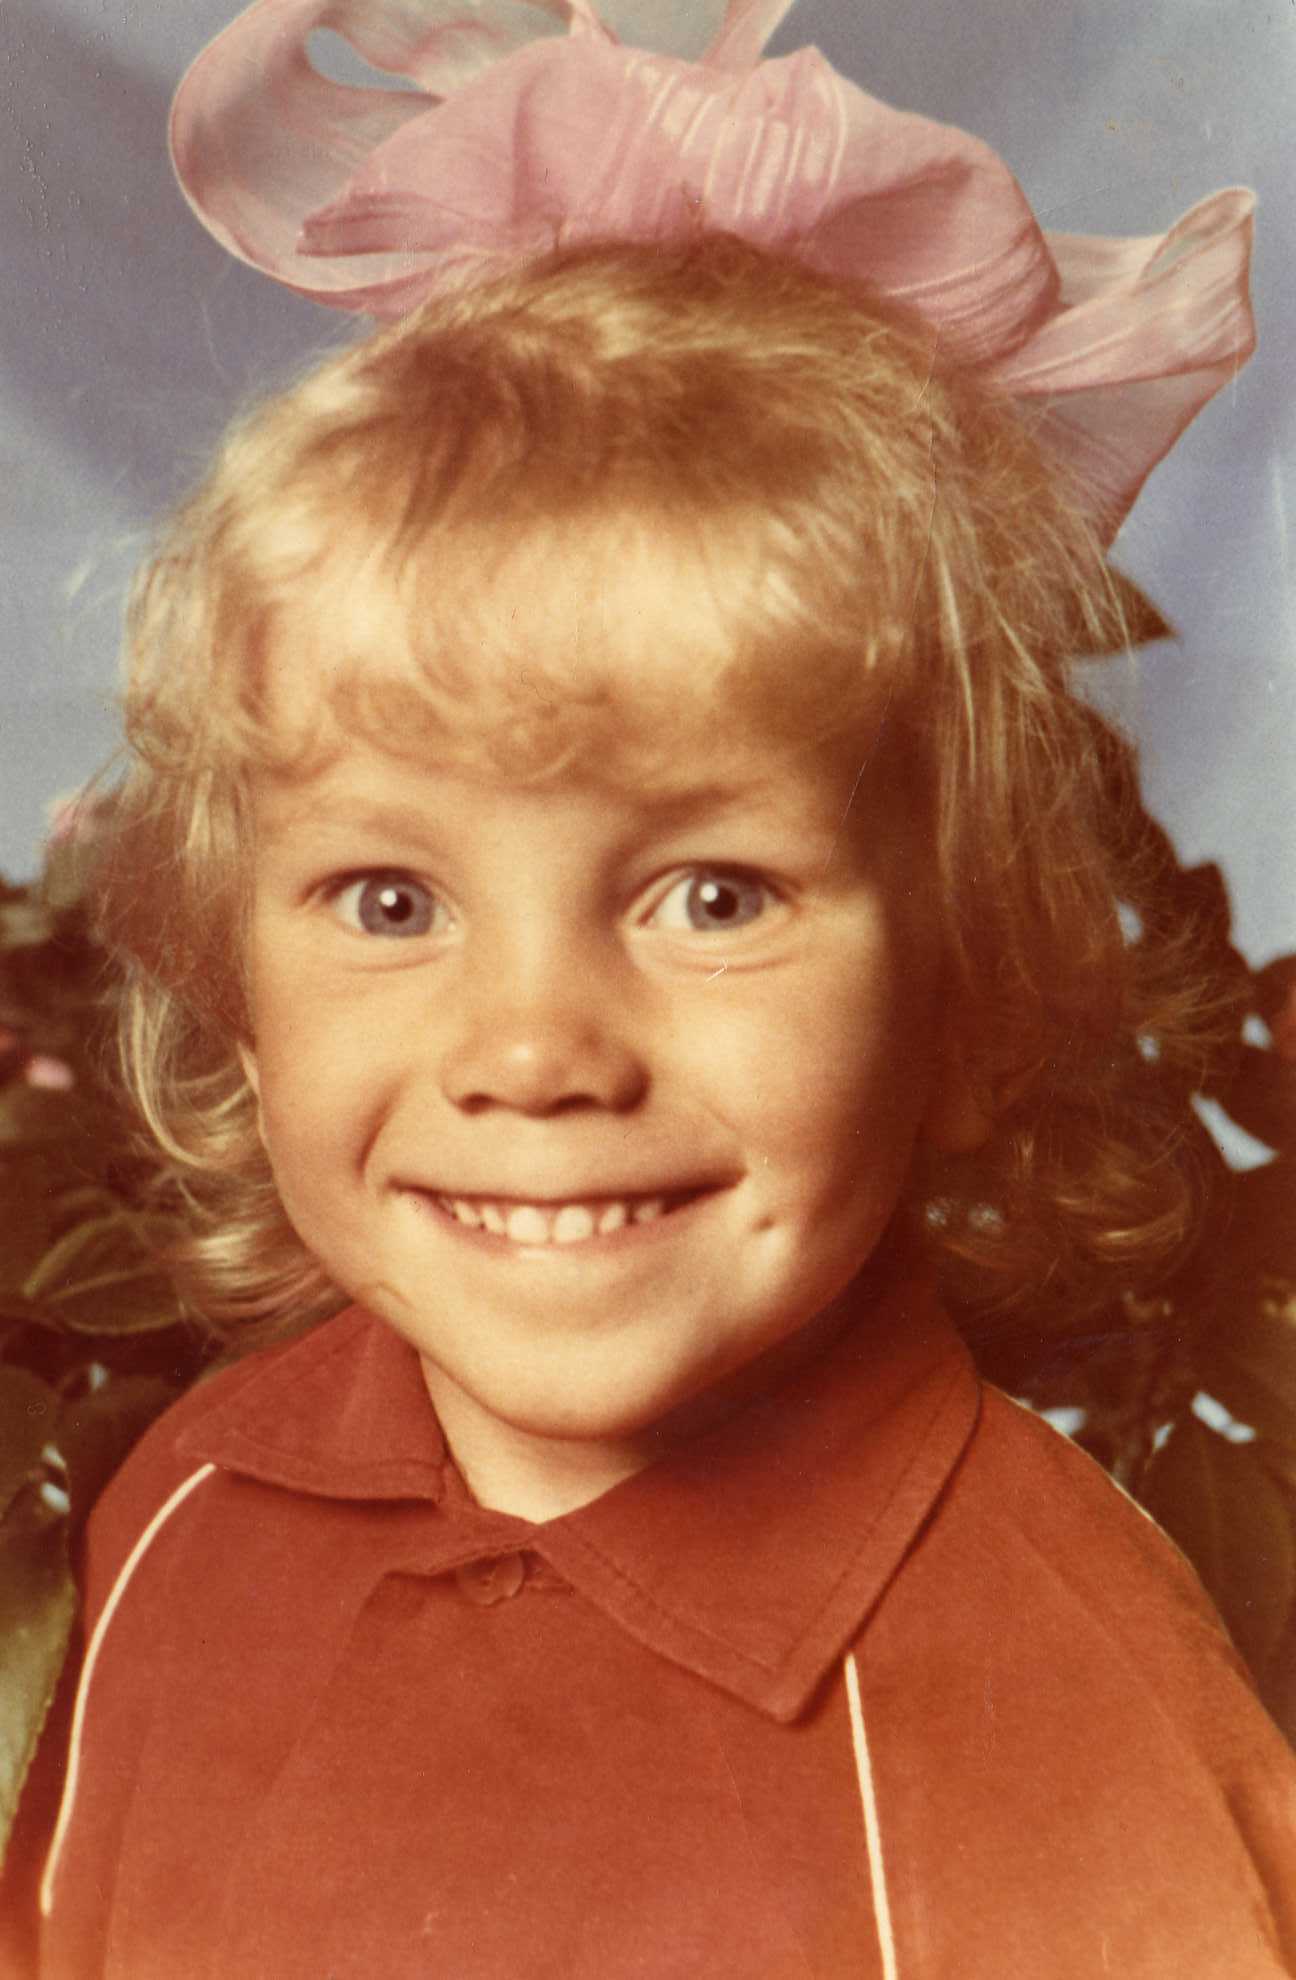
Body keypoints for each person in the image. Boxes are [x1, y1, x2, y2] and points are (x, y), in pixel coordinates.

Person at [22, 1, 1296, 1973]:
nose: (535, 1050)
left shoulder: (1058, 1725)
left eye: (713, 895)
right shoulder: (182, 1510)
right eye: (387, 898)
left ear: (967, 996)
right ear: (234, 989)